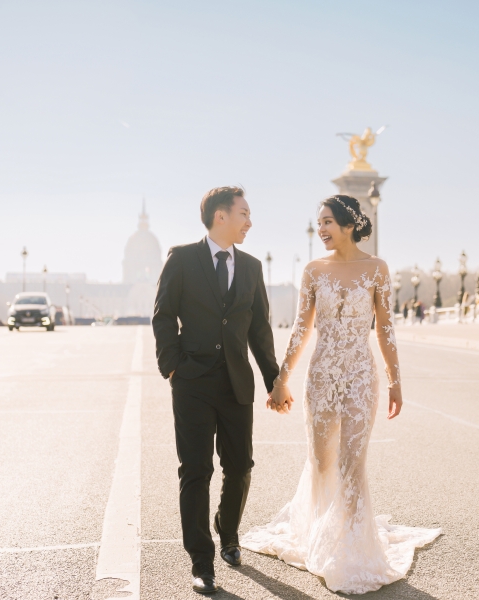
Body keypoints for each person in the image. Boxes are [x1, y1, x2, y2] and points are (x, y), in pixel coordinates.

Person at [242, 195, 440, 594]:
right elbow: (301, 329)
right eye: (319, 223)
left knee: (353, 462)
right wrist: (281, 379)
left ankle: (349, 548)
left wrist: (395, 380)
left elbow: (384, 328)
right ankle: (317, 533)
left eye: (329, 221)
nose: (322, 229)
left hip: (361, 377)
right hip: (321, 376)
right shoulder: (314, 271)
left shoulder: (377, 268)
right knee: (321, 461)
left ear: (350, 224)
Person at [152, 186, 280, 595]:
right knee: (195, 470)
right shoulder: (183, 257)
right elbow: (163, 314)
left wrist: (273, 380)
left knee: (240, 466)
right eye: (244, 212)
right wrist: (173, 365)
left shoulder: (252, 267)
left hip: (236, 383)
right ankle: (202, 560)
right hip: (192, 382)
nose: (250, 221)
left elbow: (260, 329)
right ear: (220, 216)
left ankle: (227, 529)